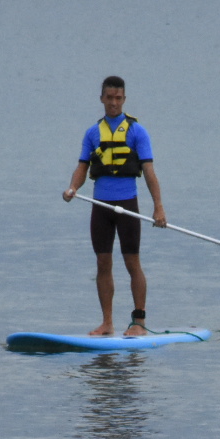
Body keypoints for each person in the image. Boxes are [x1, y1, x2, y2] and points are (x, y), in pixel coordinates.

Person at [61, 75, 168, 336]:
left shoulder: (137, 132)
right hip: (101, 205)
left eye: (118, 98)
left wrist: (158, 208)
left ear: (124, 99)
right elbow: (82, 168)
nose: (113, 103)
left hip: (127, 204)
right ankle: (107, 322)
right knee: (102, 262)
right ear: (101, 99)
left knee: (132, 262)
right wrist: (73, 188)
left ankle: (138, 322)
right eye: (109, 98)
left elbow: (150, 172)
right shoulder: (92, 133)